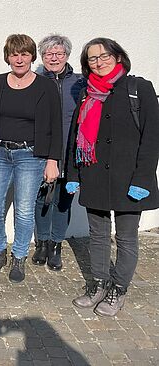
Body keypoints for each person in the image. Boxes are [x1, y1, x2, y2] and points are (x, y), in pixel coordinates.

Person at [68, 38, 159, 317]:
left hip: (129, 178)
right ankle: (98, 284)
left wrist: (143, 178)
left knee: (126, 239)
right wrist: (74, 173)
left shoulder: (139, 88)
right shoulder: (87, 93)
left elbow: (152, 137)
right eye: (92, 58)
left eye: (104, 55)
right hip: (94, 175)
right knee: (97, 236)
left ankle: (118, 288)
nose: (99, 61)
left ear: (118, 56)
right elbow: (76, 137)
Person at [0, 34, 62, 283]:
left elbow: (56, 126)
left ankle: (19, 256)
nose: (19, 59)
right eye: (14, 54)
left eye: (24, 54)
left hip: (31, 156)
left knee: (24, 211)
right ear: (7, 56)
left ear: (32, 56)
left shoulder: (46, 86)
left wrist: (53, 160)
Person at [32, 34, 85, 271]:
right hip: (41, 151)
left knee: (64, 201)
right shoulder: (35, 81)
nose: (54, 58)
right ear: (42, 57)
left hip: (70, 152)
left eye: (59, 54)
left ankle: (56, 245)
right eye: (48, 54)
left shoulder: (79, 82)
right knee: (42, 198)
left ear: (67, 56)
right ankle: (42, 243)